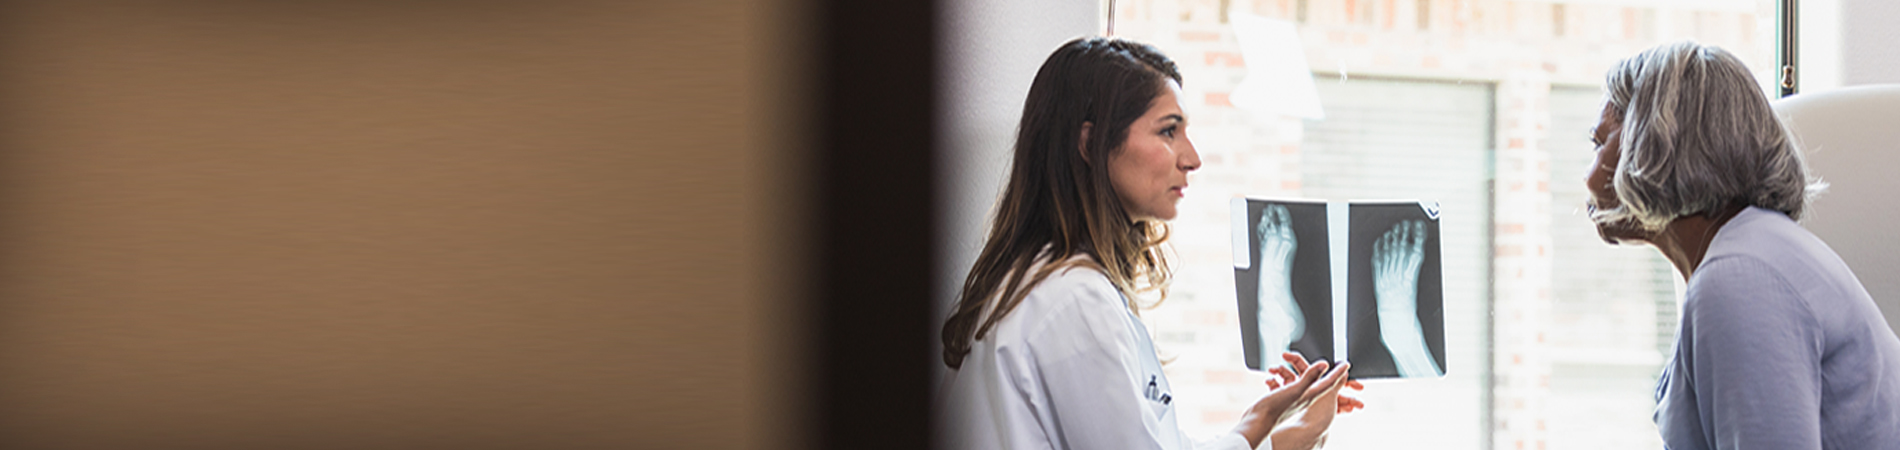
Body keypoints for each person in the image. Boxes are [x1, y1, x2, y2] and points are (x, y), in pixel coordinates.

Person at [937, 37, 1362, 450]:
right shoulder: (1073, 300)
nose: (1192, 158)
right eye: (1167, 132)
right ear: (1091, 144)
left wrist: (1267, 422)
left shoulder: (1045, 285)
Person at [1584, 41, 1900, 449]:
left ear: (1654, 145)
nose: (1588, 174)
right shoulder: (1755, 250)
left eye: (1598, 143)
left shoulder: (1739, 277)